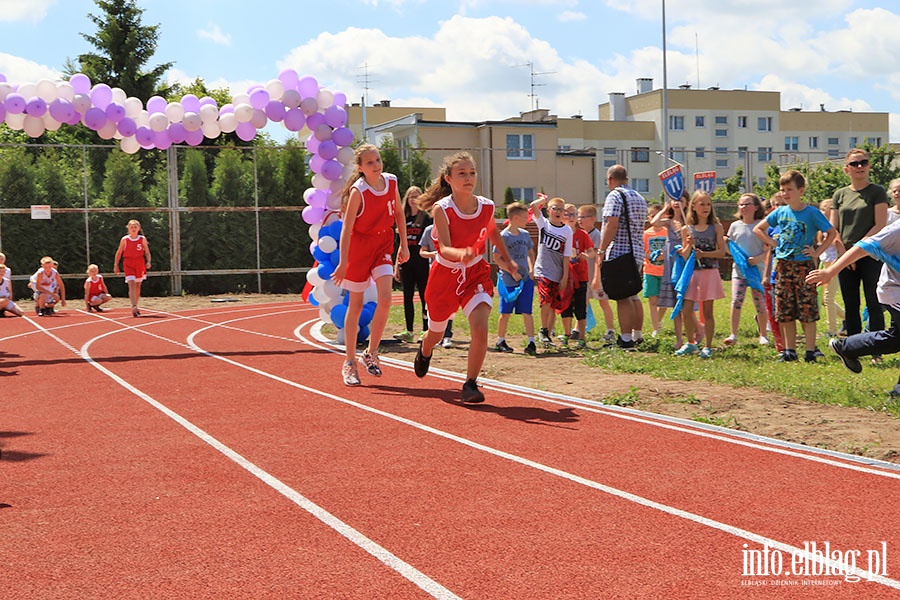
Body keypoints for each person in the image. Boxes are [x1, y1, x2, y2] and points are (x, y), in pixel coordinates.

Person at [413, 151, 517, 403]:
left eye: (472, 173)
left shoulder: (486, 206)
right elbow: (444, 247)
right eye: (462, 173)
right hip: (444, 276)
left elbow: (492, 231)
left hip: (475, 274)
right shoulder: (442, 209)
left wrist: (507, 259)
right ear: (449, 178)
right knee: (435, 333)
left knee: (480, 329)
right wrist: (461, 253)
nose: (468, 177)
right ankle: (425, 350)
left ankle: (470, 384)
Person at [333, 144, 409, 386]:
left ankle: (371, 352)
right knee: (355, 304)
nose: (376, 165)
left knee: (386, 298)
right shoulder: (358, 191)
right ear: (360, 168)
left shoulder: (392, 183)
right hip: (360, 248)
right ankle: (349, 362)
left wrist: (403, 244)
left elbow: (398, 212)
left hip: (383, 244)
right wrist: (344, 261)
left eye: (378, 160)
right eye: (370, 163)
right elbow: (346, 229)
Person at [807, 218, 900, 395]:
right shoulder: (896, 230)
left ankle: (847, 347)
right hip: (894, 290)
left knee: (896, 339)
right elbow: (862, 246)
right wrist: (830, 271)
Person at [754, 170, 836, 362]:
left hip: (804, 266)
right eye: (782, 190)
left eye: (789, 189)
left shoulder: (812, 213)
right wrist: (773, 243)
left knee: (807, 309)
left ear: (801, 190)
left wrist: (817, 252)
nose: (785, 193)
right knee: (785, 310)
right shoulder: (780, 212)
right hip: (783, 266)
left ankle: (810, 351)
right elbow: (759, 229)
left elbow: (831, 233)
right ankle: (789, 351)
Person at [830, 149, 888, 348]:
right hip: (845, 256)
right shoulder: (839, 194)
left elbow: (879, 225)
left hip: (871, 254)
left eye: (863, 162)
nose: (859, 167)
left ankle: (876, 350)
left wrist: (857, 249)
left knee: (874, 302)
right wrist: (844, 254)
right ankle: (853, 348)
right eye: (854, 164)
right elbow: (833, 228)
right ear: (847, 169)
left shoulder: (877, 191)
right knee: (850, 303)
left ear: (869, 166)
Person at [594, 164, 648, 350]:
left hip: (621, 252)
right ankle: (637, 334)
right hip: (637, 251)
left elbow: (611, 224)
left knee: (622, 297)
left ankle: (626, 340)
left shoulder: (615, 195)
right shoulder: (639, 197)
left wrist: (601, 250)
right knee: (633, 295)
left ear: (610, 180)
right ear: (627, 178)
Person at [674, 191, 726, 358]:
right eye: (702, 204)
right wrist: (688, 245)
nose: (706, 207)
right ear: (694, 207)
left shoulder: (716, 227)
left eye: (708, 204)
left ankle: (708, 346)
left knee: (708, 311)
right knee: (686, 309)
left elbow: (721, 252)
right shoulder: (686, 229)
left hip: (709, 273)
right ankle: (690, 343)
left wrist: (704, 254)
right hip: (692, 274)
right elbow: (684, 254)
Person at [724, 193, 770, 346]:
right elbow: (730, 249)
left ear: (756, 206)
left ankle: (763, 334)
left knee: (760, 303)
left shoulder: (762, 225)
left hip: (758, 270)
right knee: (736, 301)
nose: (744, 207)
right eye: (741, 204)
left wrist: (758, 258)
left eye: (747, 204)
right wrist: (727, 244)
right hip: (739, 271)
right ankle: (733, 334)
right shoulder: (735, 226)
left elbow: (770, 248)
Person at [529, 194, 573, 348]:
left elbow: (567, 255)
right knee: (545, 301)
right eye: (555, 208)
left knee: (553, 305)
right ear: (549, 210)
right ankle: (543, 329)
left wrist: (565, 276)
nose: (558, 212)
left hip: (557, 272)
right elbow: (533, 206)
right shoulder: (544, 224)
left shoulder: (567, 231)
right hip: (542, 270)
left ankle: (547, 333)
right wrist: (544, 199)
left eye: (561, 209)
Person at [495, 202, 537, 355]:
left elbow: (530, 253)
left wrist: (532, 268)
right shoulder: (503, 236)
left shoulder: (525, 235)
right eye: (525, 218)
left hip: (525, 279)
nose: (527, 220)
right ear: (514, 218)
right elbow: (497, 258)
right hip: (508, 280)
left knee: (527, 312)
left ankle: (531, 342)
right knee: (505, 312)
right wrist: (511, 271)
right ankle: (500, 340)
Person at [650, 191, 691, 348]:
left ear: (686, 203)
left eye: (680, 200)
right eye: (673, 200)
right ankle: (679, 339)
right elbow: (654, 222)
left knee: (687, 301)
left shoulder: (688, 221)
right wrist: (664, 208)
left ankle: (692, 336)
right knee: (674, 302)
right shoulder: (668, 221)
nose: (676, 202)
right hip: (671, 264)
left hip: (684, 262)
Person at [393, 186, 432, 343]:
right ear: (406, 200)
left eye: (416, 196)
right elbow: (400, 246)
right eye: (410, 196)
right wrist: (396, 266)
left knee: (424, 297)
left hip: (422, 263)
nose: (413, 199)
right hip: (406, 265)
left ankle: (425, 330)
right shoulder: (403, 219)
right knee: (407, 297)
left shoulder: (426, 218)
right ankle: (409, 331)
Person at [557, 203, 594, 348]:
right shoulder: (559, 233)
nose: (572, 217)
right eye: (568, 214)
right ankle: (566, 334)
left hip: (580, 275)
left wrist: (586, 255)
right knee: (565, 305)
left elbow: (592, 251)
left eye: (574, 214)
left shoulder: (582, 234)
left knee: (580, 307)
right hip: (565, 275)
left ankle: (581, 337)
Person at [581, 204, 617, 344]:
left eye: (582, 217)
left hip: (596, 276)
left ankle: (610, 330)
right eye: (579, 217)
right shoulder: (581, 234)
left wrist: (597, 276)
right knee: (583, 303)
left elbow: (597, 254)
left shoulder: (596, 234)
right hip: (585, 276)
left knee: (603, 302)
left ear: (592, 219)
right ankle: (581, 329)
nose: (579, 220)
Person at [417, 223, 454, 348]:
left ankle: (447, 335)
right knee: (433, 304)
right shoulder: (429, 230)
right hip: (434, 272)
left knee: (449, 303)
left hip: (452, 271)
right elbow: (422, 251)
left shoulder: (453, 227)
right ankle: (436, 335)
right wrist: (433, 254)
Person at [817, 199, 846, 337]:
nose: (821, 212)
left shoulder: (834, 230)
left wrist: (837, 263)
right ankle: (847, 319)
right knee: (824, 300)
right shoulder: (822, 229)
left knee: (829, 298)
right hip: (825, 264)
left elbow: (840, 247)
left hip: (833, 265)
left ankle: (832, 331)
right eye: (820, 209)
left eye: (824, 209)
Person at [114, 219, 151, 317]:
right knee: (131, 283)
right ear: (128, 228)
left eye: (135, 227)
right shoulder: (125, 239)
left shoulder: (142, 239)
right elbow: (119, 252)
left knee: (138, 285)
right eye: (131, 227)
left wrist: (148, 261)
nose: (133, 229)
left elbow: (147, 251)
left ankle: (136, 304)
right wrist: (116, 265)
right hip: (128, 262)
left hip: (139, 262)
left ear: (139, 228)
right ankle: (134, 305)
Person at [643, 204, 667, 337]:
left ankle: (657, 321)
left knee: (664, 301)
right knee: (653, 300)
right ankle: (656, 328)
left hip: (665, 271)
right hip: (650, 271)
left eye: (658, 215)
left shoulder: (668, 232)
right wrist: (651, 254)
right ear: (649, 218)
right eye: (652, 216)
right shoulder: (646, 234)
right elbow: (642, 251)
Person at [0, 253, 23, 317]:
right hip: (2, 300)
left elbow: (9, 288)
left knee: (21, 313)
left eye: (3, 272)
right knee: (3, 301)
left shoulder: (6, 279)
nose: (2, 273)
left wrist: (10, 297)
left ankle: (3, 308)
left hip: (6, 300)